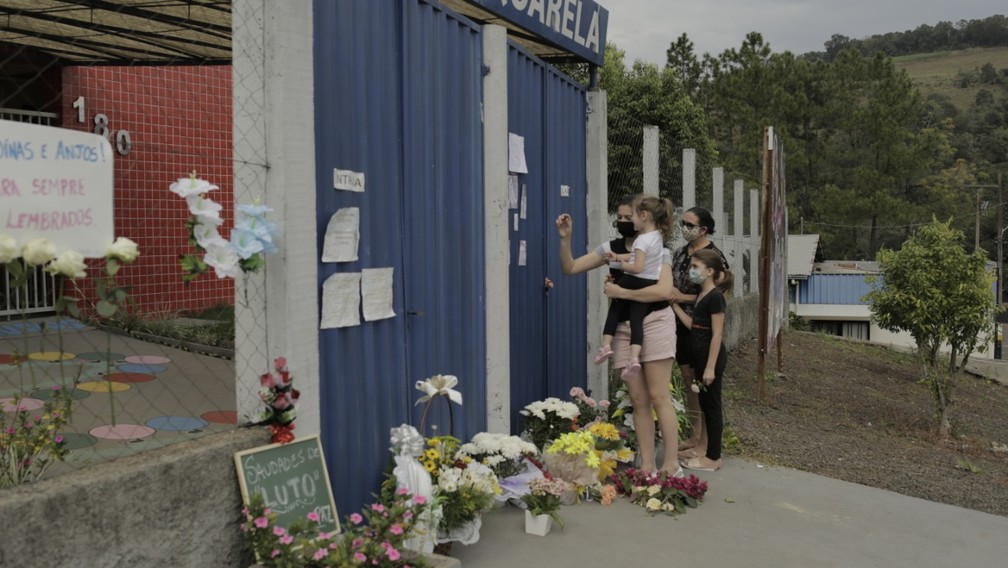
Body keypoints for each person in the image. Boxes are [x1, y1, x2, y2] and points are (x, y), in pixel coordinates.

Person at [556, 199, 681, 475]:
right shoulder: (610, 249)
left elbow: (663, 291)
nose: (624, 221)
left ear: (642, 218)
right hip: (624, 326)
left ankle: (671, 463)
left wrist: (621, 293)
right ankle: (647, 464)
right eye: (620, 217)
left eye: (629, 216)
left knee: (659, 395)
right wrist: (566, 239)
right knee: (638, 399)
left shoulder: (659, 250)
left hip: (656, 320)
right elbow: (571, 268)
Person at [670, 207, 729, 459]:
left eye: (689, 224)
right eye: (682, 222)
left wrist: (678, 297)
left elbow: (717, 294)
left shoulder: (715, 257)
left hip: (701, 329)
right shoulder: (680, 253)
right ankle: (695, 434)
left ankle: (706, 442)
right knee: (687, 377)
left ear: (703, 229)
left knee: (703, 385)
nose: (684, 228)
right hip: (679, 325)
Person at [595, 196, 675, 380]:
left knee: (615, 308)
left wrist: (621, 266)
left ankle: (605, 346)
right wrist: (618, 256)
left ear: (644, 216)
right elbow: (637, 256)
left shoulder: (640, 240)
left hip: (634, 280)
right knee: (636, 320)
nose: (630, 222)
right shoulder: (657, 237)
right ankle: (634, 358)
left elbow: (636, 266)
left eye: (633, 218)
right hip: (649, 283)